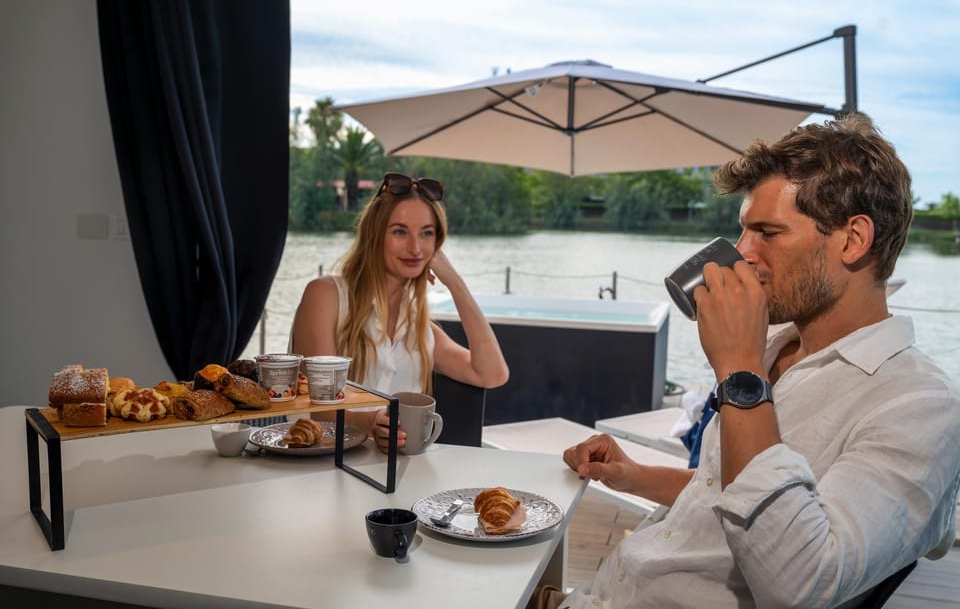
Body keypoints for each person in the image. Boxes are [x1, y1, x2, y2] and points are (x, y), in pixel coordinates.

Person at [544, 114, 960, 608]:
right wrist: (634, 475)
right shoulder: (777, 348)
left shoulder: (920, 408)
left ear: (853, 239)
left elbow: (801, 581)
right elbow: (728, 496)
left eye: (767, 231)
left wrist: (739, 372)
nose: (742, 254)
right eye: (743, 231)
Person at [291, 172, 509, 452]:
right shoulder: (326, 296)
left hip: (400, 477)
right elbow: (319, 410)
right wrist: (372, 423)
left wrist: (455, 283)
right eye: (399, 231)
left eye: (426, 233)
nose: (415, 248)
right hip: (321, 471)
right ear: (374, 235)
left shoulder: (419, 327)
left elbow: (492, 374)